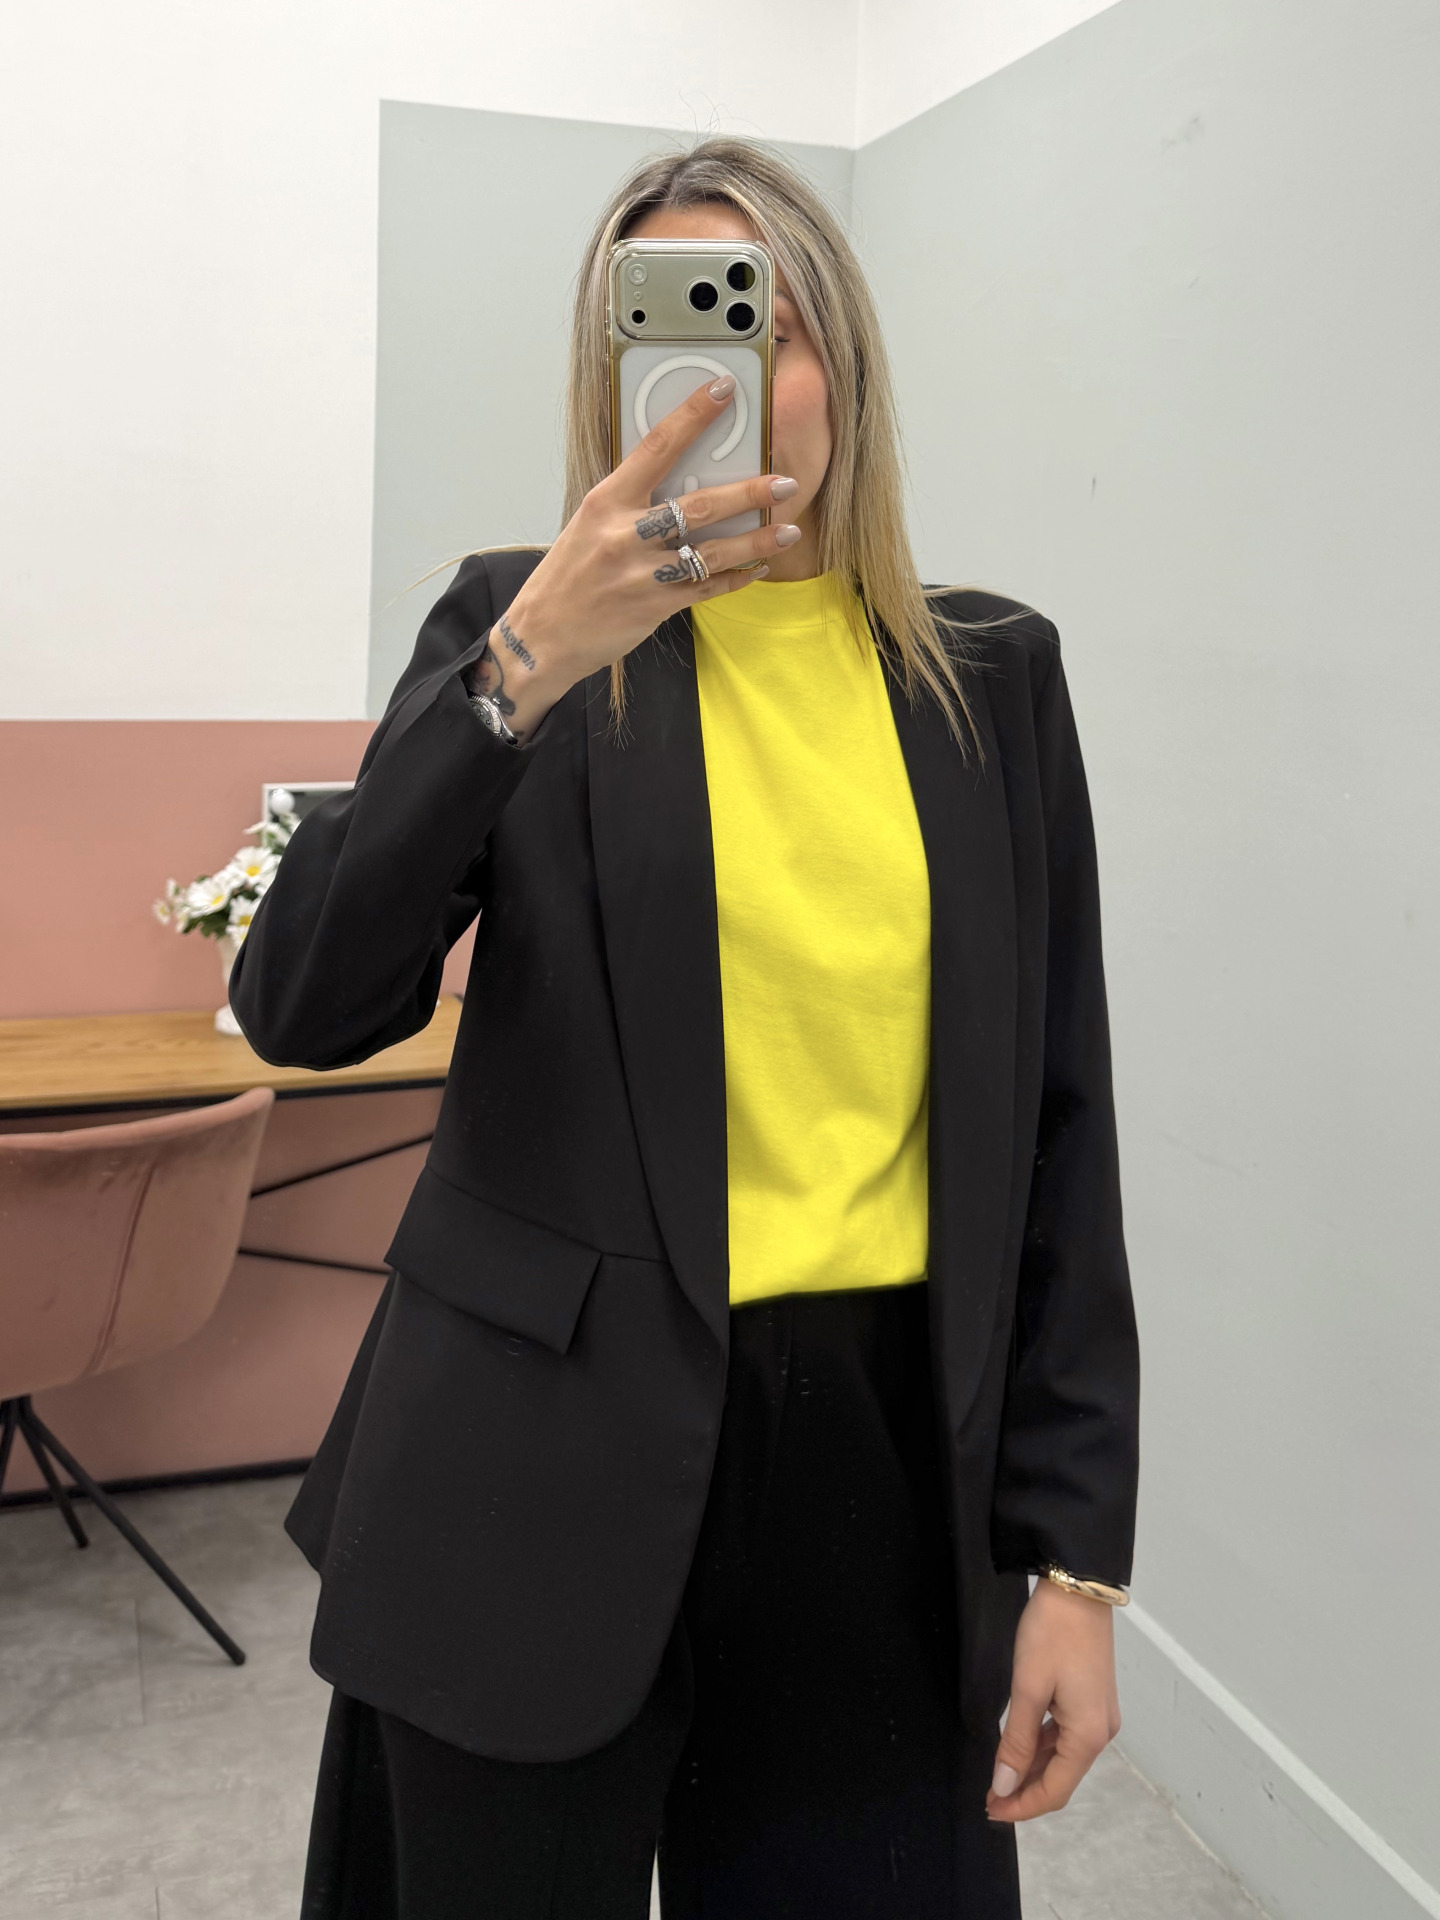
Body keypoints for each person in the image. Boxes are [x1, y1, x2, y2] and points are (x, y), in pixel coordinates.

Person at [231, 135, 1139, 1920]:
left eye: (770, 327)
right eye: (674, 333)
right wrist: (518, 673)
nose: (727, 381)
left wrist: (1073, 1563)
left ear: (843, 369)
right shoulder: (522, 632)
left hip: (879, 1481)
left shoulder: (991, 679)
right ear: (612, 379)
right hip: (523, 1455)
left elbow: (1061, 1126)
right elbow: (306, 1006)